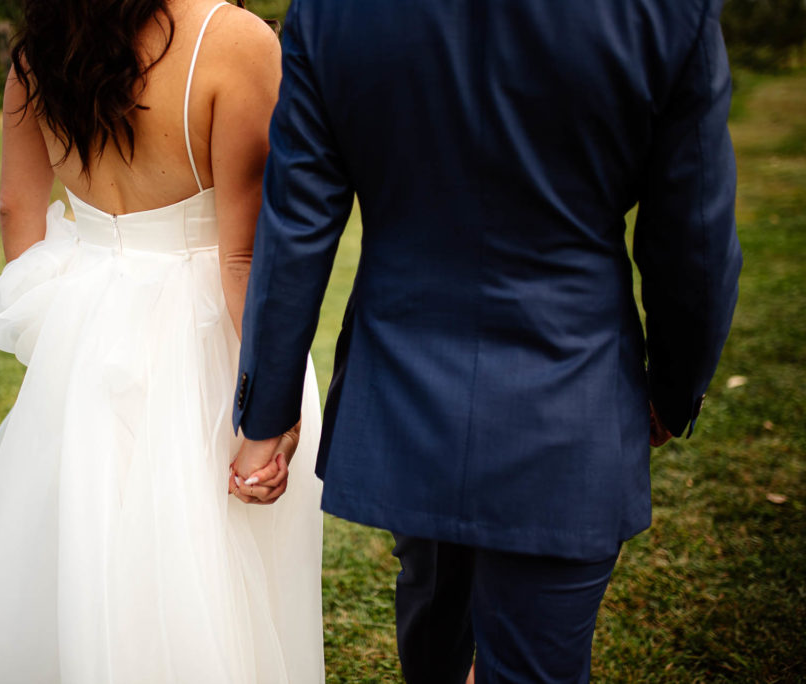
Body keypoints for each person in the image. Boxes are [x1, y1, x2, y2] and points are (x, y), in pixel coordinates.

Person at [230, 0, 742, 681]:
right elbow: (694, 240)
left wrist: (266, 414)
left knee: (435, 635)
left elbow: (296, 224)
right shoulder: (666, 13)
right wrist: (673, 392)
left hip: (406, 394)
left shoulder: (332, 12)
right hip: (571, 394)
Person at [0, 1, 325, 682]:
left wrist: (65, 333)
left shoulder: (38, 50)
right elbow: (243, 257)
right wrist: (267, 410)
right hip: (212, 339)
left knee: (91, 554)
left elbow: (17, 211)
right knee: (213, 564)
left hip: (88, 333)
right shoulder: (234, 41)